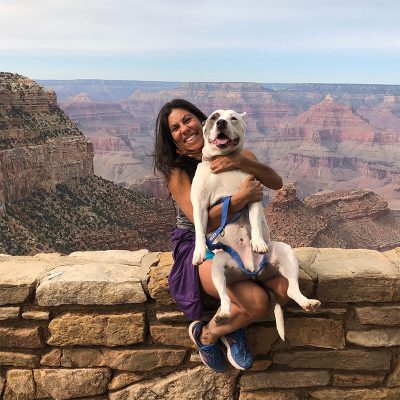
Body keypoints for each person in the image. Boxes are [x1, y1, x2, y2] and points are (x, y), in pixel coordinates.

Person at [153, 98, 289, 372]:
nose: (184, 129)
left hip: (239, 236)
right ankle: (209, 335)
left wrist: (242, 162)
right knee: (258, 301)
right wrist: (240, 199)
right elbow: (199, 219)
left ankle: (229, 326)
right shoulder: (178, 170)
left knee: (286, 291)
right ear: (172, 138)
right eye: (175, 127)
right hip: (200, 242)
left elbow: (276, 182)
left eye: (187, 120)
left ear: (204, 123)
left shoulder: (238, 152)